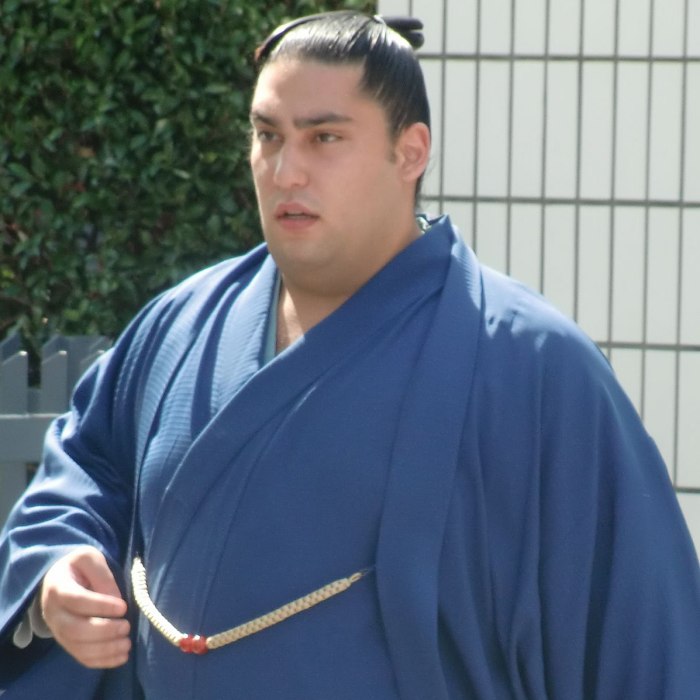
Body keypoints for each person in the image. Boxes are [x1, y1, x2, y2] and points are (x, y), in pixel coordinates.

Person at [1, 10, 698, 699]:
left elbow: (643, 634)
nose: (286, 171)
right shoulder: (178, 325)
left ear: (410, 151)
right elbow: (84, 472)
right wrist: (58, 568)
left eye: (324, 138)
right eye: (267, 136)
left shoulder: (532, 366)